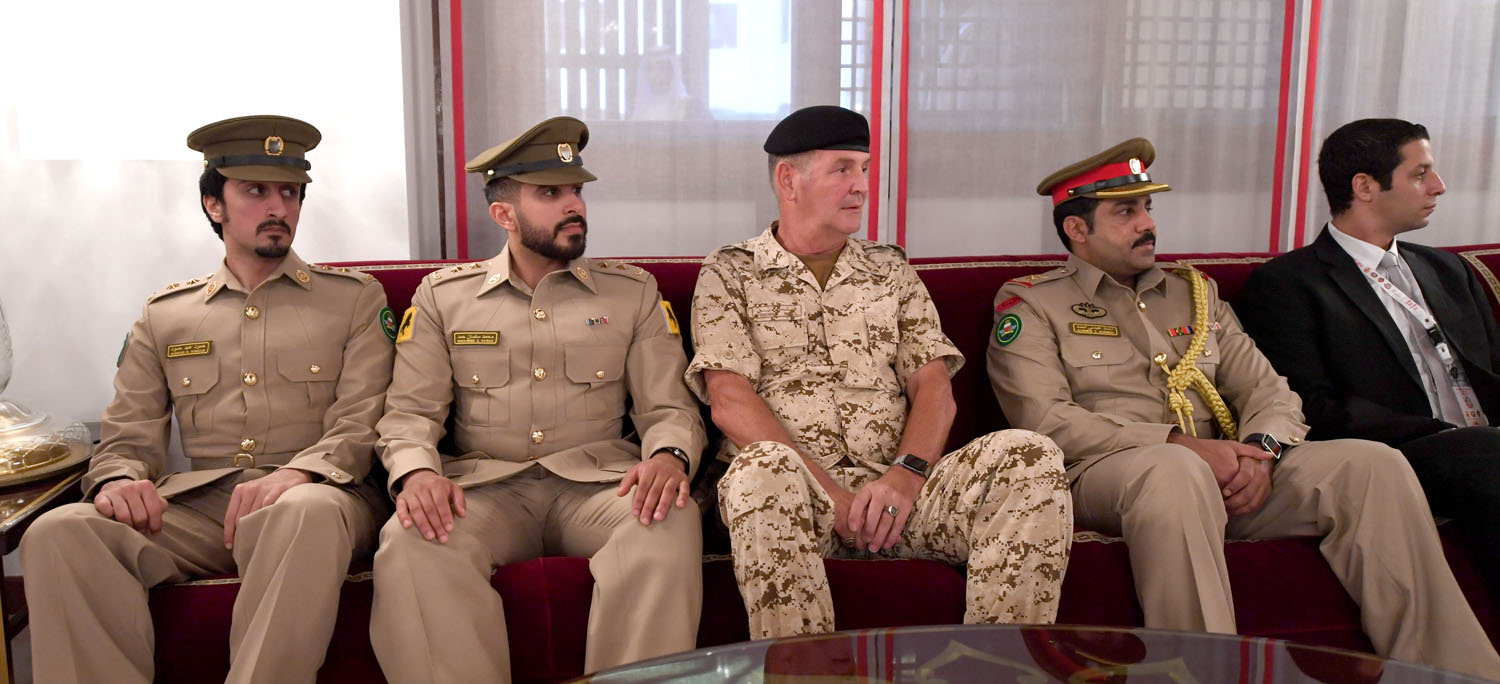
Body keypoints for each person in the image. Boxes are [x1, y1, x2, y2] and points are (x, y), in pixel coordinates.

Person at [985, 136, 1500, 679]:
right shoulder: (1032, 302)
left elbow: (1269, 392)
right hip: (1106, 475)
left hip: (1226, 472)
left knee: (1373, 465)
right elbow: (1045, 421)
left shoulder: (1194, 293)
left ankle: (1456, 672)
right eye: (1126, 212)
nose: (1148, 223)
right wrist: (1184, 446)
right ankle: (1207, 672)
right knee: (1174, 470)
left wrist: (1261, 452)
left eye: (1148, 208)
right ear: (1076, 228)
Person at [20, 115, 394, 684]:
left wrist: (300, 474)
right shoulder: (166, 315)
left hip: (327, 496)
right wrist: (118, 480)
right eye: (256, 191)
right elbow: (127, 436)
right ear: (213, 204)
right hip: (207, 509)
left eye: (291, 192)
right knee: (60, 531)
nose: (279, 207)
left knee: (303, 513)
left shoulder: (354, 301)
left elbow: (363, 421)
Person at [688, 105, 1072, 640]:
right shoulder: (731, 271)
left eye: (865, 169)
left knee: (1030, 456)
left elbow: (933, 385)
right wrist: (833, 496)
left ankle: (997, 667)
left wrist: (904, 477)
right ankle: (806, 673)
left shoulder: (889, 269)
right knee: (760, 470)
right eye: (843, 169)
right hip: (792, 501)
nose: (862, 186)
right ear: (788, 180)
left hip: (895, 502)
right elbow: (730, 401)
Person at [369, 116, 707, 682]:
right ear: (504, 215)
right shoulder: (444, 298)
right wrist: (417, 474)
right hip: (487, 490)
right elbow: (409, 413)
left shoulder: (632, 293)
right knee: (410, 540)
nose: (574, 204)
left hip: (599, 487)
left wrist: (669, 457)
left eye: (575, 190)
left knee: (669, 520)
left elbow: (669, 408)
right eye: (550, 193)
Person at [1239, 118, 1500, 594]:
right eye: (1420, 174)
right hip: (1398, 453)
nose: (1438, 186)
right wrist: (1447, 435)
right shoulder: (1288, 283)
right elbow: (1313, 406)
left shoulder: (1449, 269)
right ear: (1364, 187)